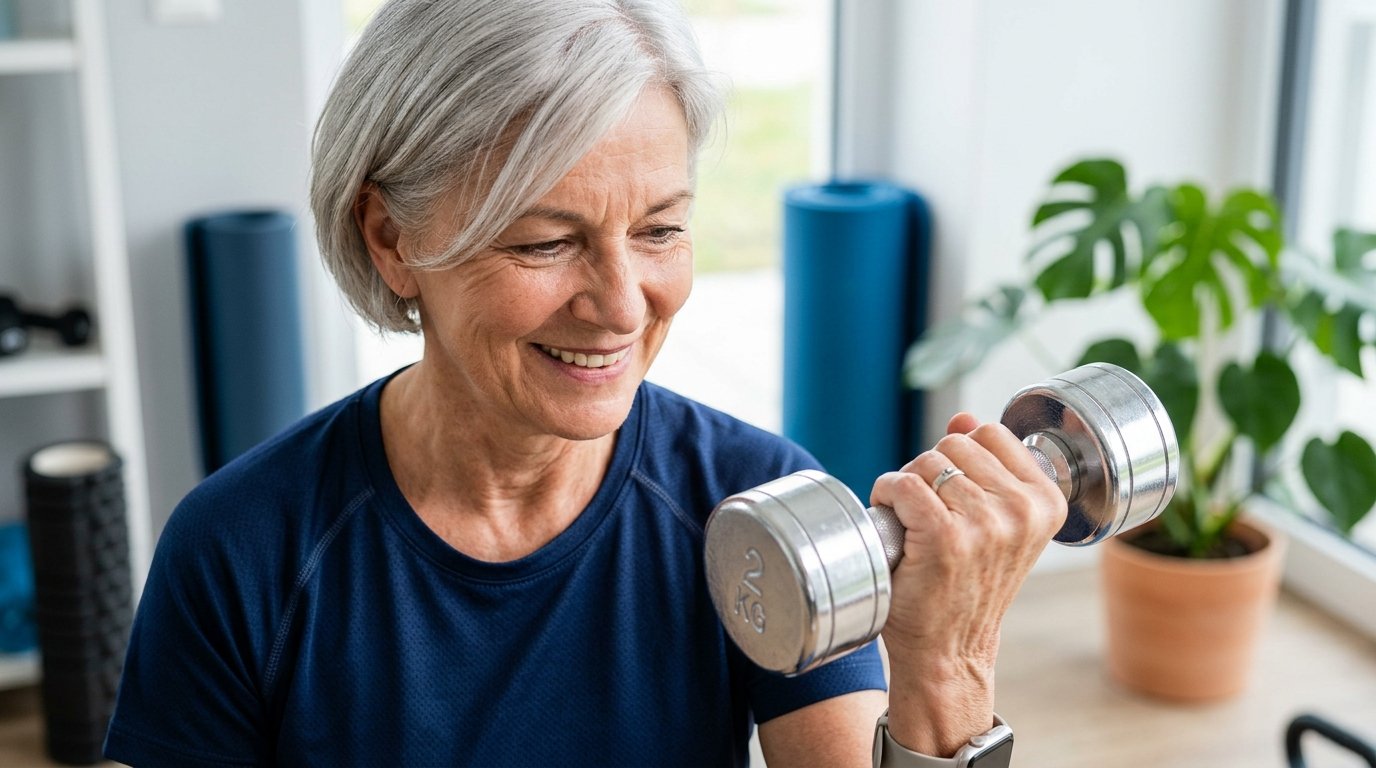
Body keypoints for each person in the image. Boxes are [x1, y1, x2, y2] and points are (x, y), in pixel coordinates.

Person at [105, 0, 1066, 765]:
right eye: (546, 241)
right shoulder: (242, 549)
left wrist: (946, 665)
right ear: (393, 240)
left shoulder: (759, 507)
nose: (619, 305)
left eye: (658, 231)